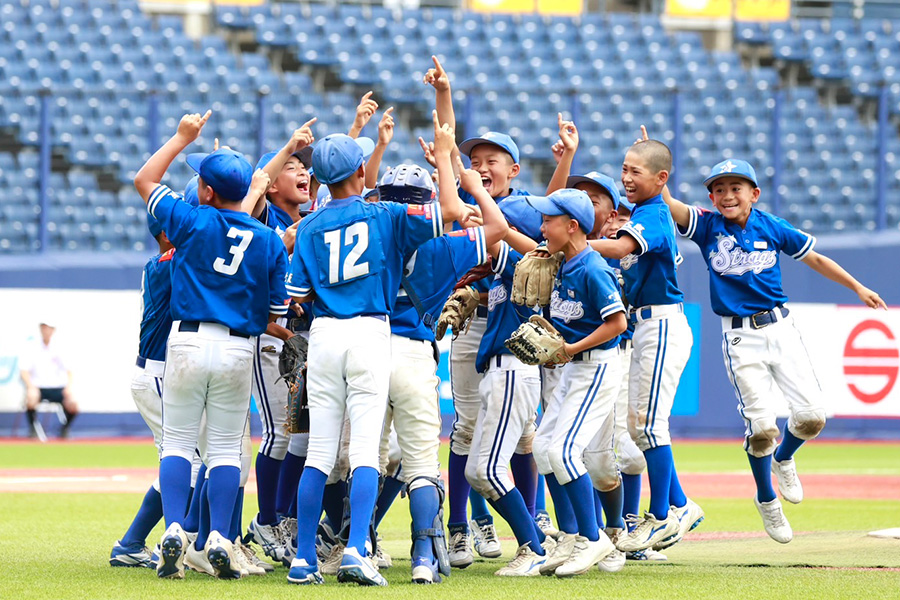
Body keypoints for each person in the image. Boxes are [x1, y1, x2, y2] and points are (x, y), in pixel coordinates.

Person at [663, 157, 886, 542]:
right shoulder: (708, 226)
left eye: (736, 187)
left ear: (755, 193)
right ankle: (766, 499)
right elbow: (669, 203)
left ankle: (784, 459)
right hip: (739, 336)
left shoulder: (772, 226)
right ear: (711, 197)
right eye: (719, 188)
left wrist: (857, 287)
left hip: (781, 327)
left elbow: (814, 257)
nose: (727, 195)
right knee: (763, 428)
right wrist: (655, 164)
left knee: (813, 417)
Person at [284, 122, 464, 587]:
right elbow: (447, 210)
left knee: (320, 455)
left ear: (320, 182)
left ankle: (303, 558)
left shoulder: (309, 224)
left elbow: (295, 295)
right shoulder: (384, 214)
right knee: (367, 451)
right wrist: (444, 155)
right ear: (362, 171)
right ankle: (356, 548)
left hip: (323, 334)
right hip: (368, 331)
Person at [134, 110, 290, 580]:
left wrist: (182, 138)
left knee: (179, 444)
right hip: (240, 347)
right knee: (225, 450)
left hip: (186, 343)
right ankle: (219, 535)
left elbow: (145, 179)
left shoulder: (191, 221)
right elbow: (275, 313)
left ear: (205, 190)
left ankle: (176, 529)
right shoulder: (267, 239)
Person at [588, 137, 704, 553]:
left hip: (662, 324)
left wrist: (573, 247)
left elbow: (620, 248)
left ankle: (660, 518)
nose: (626, 177)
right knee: (640, 427)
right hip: (645, 326)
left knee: (649, 425)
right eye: (624, 169)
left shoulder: (654, 214)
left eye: (635, 171)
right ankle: (680, 504)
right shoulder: (642, 212)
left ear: (660, 179)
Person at [525, 189, 626, 577]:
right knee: (545, 448)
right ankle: (571, 537)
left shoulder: (592, 267)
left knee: (566, 452)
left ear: (571, 226)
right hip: (575, 365)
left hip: (597, 366)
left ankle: (594, 537)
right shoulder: (563, 264)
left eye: (549, 220)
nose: (542, 227)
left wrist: (570, 347)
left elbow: (617, 324)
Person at [20, 321, 78, 439]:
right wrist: (30, 387)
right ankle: (33, 429)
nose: (46, 330)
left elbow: (69, 370)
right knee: (30, 399)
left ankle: (64, 429)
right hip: (39, 387)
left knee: (73, 404)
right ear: (41, 328)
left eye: (49, 328)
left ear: (53, 330)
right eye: (44, 327)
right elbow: (24, 370)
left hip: (58, 388)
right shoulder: (32, 347)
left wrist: (69, 387)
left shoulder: (60, 348)